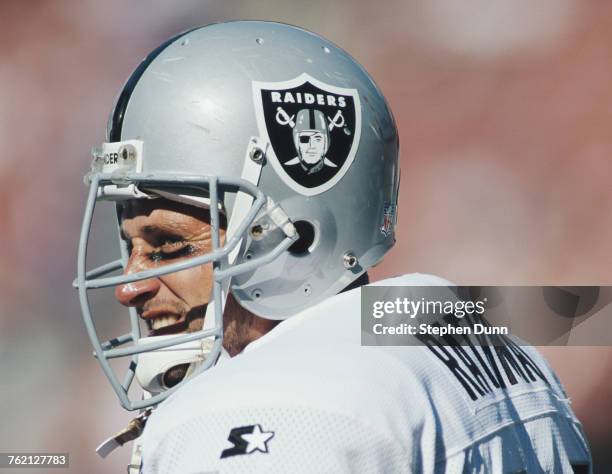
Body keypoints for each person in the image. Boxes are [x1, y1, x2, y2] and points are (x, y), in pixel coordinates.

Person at [76, 21, 591, 473]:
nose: (131, 287)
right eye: (131, 248)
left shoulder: (269, 407)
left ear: (294, 234)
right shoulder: (464, 325)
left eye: (168, 246)